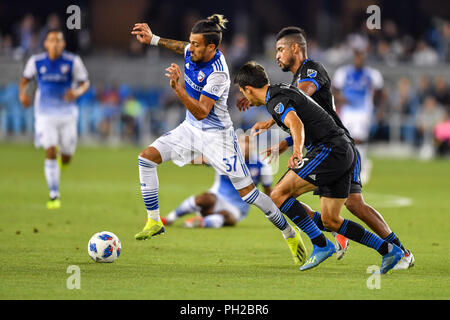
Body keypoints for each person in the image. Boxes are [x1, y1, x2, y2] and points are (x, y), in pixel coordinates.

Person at [131, 15, 306, 265]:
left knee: (249, 194)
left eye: (197, 45)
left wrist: (179, 88)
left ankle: (289, 232)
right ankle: (154, 221)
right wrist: (154, 39)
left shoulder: (218, 73)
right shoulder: (194, 50)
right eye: (191, 42)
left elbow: (202, 111)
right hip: (190, 129)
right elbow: (182, 47)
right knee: (146, 158)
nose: (191, 48)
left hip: (218, 137)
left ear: (212, 47)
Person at [239, 27, 414, 270]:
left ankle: (333, 242)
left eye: (280, 49)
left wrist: (274, 106)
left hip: (332, 147)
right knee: (343, 210)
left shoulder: (311, 70)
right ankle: (385, 248)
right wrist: (284, 139)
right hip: (328, 145)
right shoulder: (289, 85)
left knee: (286, 195)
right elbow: (306, 120)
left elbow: (303, 99)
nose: (276, 55)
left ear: (295, 48)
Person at [19, 29, 90, 209]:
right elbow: (25, 80)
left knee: (66, 157)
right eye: (52, 40)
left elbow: (85, 83)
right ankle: (54, 194)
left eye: (59, 41)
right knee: (50, 150)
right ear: (46, 44)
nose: (55, 44)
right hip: (44, 114)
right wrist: (23, 95)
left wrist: (76, 92)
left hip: (67, 115)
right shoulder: (36, 62)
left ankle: (62, 163)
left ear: (63, 44)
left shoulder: (73, 61)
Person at [162, 135, 273, 228]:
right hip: (217, 197)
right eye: (242, 142)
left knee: (226, 217)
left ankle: (200, 222)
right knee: (205, 198)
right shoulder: (225, 157)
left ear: (254, 146)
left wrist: (273, 214)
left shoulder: (262, 165)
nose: (245, 146)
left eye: (249, 143)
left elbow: (268, 191)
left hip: (237, 208)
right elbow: (201, 160)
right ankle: (169, 218)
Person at [332, 43, 384, 184]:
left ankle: (361, 167)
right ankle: (355, 165)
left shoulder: (372, 74)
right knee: (346, 140)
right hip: (347, 111)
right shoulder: (343, 73)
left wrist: (380, 110)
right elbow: (333, 90)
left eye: (361, 56)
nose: (359, 59)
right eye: (357, 56)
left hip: (363, 111)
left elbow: (381, 94)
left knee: (359, 139)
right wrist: (339, 99)